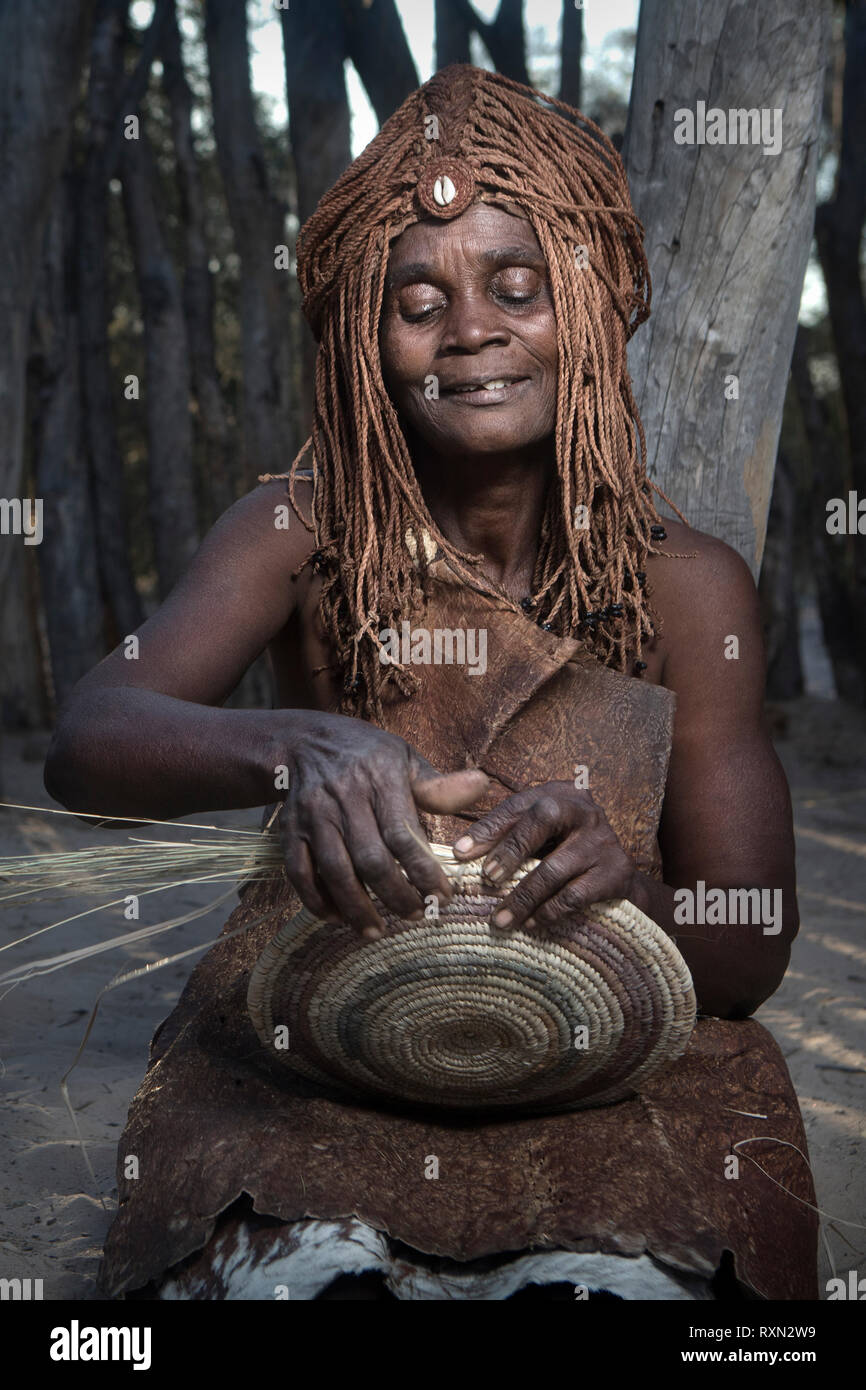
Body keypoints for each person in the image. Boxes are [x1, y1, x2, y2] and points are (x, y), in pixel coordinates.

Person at [45, 64, 817, 1300]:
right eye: (418, 303)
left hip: (612, 1067)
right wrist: (297, 747)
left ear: (592, 302)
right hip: (311, 1051)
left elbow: (752, 945)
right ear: (365, 340)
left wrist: (622, 902)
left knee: (648, 1275)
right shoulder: (297, 532)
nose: (470, 331)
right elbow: (87, 737)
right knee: (281, 1272)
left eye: (518, 288)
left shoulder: (686, 585)